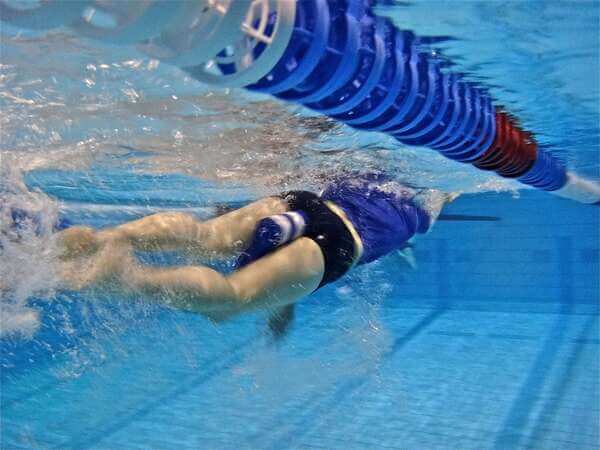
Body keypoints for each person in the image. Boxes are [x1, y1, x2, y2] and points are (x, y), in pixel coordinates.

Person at [57, 175, 457, 325]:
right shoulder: (425, 209)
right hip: (339, 243)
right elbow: (447, 190)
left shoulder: (374, 169)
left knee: (202, 236)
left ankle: (106, 238)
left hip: (301, 201)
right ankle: (129, 278)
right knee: (229, 300)